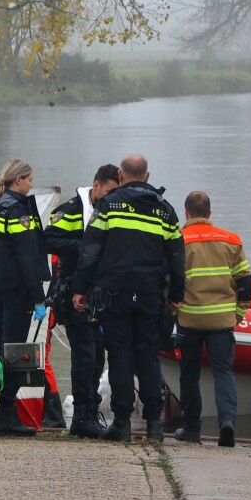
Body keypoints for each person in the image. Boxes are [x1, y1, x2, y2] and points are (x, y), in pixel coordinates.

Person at [70, 154, 184, 442]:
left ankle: (121, 423)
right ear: (147, 176)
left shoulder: (109, 206)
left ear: (120, 176)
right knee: (148, 355)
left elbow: (90, 251)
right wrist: (176, 295)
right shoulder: (166, 211)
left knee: (119, 355)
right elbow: (177, 257)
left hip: (114, 296)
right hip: (150, 296)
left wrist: (80, 289)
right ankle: (154, 425)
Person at [0, 158, 47, 437]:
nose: (31, 185)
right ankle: (6, 415)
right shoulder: (16, 210)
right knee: (13, 352)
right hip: (16, 290)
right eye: (30, 180)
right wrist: (38, 298)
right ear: (18, 180)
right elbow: (26, 257)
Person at [45, 163, 121, 438]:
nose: (111, 198)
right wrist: (84, 247)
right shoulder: (72, 210)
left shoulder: (111, 209)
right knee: (85, 356)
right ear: (96, 185)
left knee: (98, 355)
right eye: (109, 192)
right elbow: (48, 240)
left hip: (99, 295)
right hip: (72, 292)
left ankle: (89, 411)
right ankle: (81, 417)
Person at [174, 191, 251, 448]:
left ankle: (191, 428)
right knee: (223, 372)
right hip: (222, 321)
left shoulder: (178, 240)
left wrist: (173, 313)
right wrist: (237, 314)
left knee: (189, 373)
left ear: (186, 213)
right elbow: (246, 284)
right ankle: (227, 422)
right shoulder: (231, 240)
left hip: (189, 320)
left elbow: (170, 281)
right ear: (209, 214)